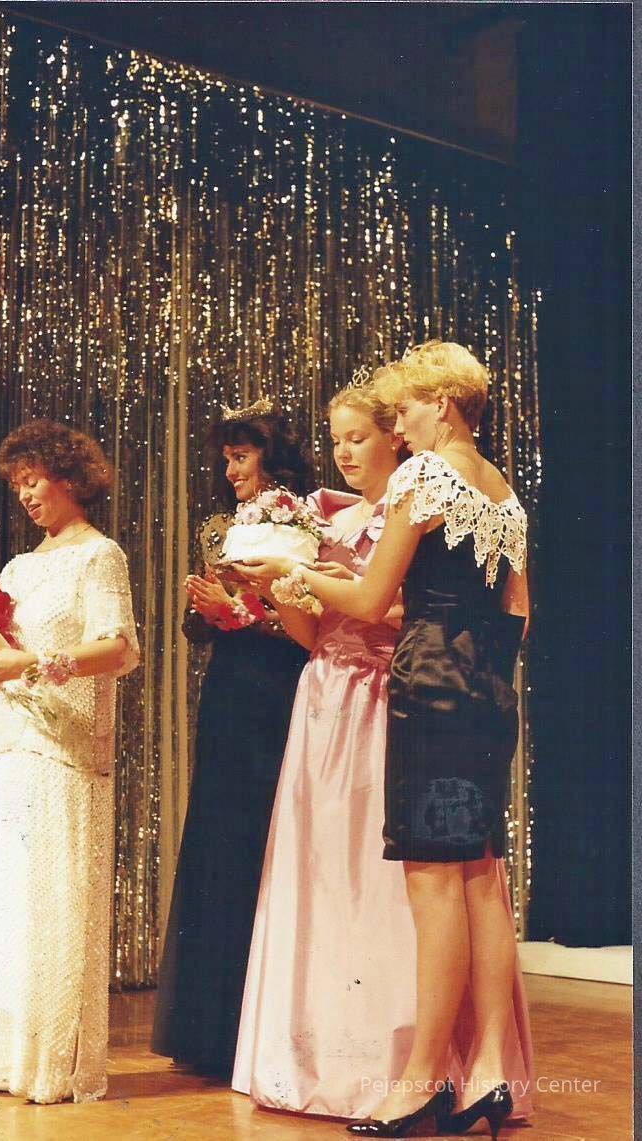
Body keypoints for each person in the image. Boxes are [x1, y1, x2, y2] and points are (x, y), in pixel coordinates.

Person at [231, 371, 533, 1125]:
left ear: (443, 404)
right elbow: (518, 612)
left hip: (428, 684)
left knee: (434, 885)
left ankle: (421, 1078)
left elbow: (369, 602)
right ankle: (490, 1071)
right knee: (479, 876)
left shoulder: (423, 477)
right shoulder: (502, 490)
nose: (399, 428)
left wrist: (295, 573)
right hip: (487, 688)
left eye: (404, 411)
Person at [0, 419, 139, 1104]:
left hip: (68, 750)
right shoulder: (19, 569)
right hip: (17, 746)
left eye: (33, 480)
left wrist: (35, 661)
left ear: (69, 478)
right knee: (17, 905)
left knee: (58, 900)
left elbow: (117, 649)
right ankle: (10, 1061)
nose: (24, 494)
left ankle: (56, 1065)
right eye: (17, 484)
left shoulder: (99, 555)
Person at [151, 399, 314, 1078]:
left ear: (273, 461)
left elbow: (309, 628)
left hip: (277, 691)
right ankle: (207, 1031)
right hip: (228, 692)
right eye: (226, 459)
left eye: (240, 457)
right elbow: (199, 627)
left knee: (259, 838)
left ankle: (257, 1027)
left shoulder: (306, 522)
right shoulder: (222, 528)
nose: (230, 471)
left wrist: (245, 614)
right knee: (217, 838)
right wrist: (210, 612)